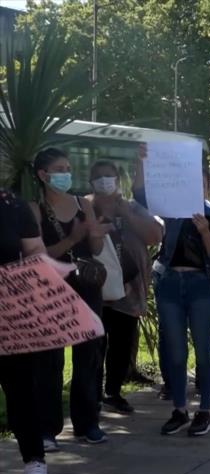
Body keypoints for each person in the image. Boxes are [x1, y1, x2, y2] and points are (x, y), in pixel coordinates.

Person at [134, 160, 210, 438]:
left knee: (203, 350)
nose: (195, 188)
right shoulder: (171, 213)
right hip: (171, 284)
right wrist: (142, 161)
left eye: (201, 183)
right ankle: (179, 409)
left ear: (207, 185)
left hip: (201, 285)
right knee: (174, 351)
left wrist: (204, 232)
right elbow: (140, 193)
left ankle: (205, 411)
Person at [29, 148, 109, 449]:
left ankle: (87, 422)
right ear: (43, 175)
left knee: (88, 356)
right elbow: (38, 255)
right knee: (49, 360)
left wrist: (96, 233)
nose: (65, 173)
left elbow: (97, 248)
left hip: (87, 287)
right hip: (51, 290)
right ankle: (47, 427)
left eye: (67, 168)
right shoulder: (35, 209)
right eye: (59, 168)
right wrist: (73, 239)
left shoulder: (82, 204)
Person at [88, 160, 162, 414]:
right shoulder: (86, 207)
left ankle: (113, 392)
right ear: (91, 182)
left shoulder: (133, 208)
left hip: (129, 290)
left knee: (121, 344)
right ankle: (92, 394)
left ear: (118, 181)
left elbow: (154, 236)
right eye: (98, 177)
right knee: (94, 345)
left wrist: (127, 214)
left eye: (109, 176)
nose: (104, 181)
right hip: (94, 289)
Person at [0, 188, 51, 474]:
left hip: (11, 317)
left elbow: (36, 252)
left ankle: (35, 465)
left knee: (21, 393)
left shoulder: (14, 206)